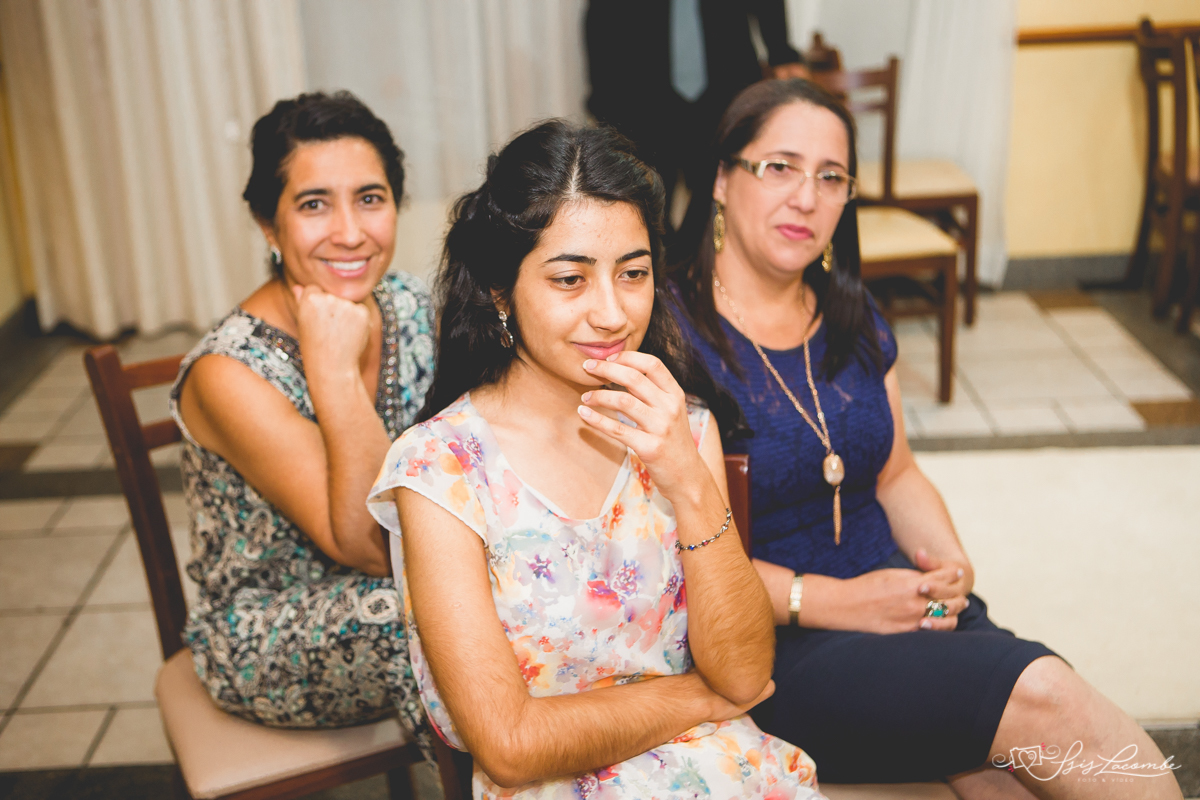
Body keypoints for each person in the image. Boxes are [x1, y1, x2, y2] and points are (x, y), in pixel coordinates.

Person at [669, 79, 1184, 799]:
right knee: (1048, 696)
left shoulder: (852, 315)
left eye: (831, 177)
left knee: (1016, 777)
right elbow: (675, 551)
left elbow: (896, 475)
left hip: (897, 594)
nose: (806, 197)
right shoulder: (670, 336)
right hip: (777, 644)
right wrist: (839, 602)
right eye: (779, 167)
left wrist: (950, 563)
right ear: (724, 180)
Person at [366, 120, 822, 799]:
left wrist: (690, 482)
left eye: (633, 273)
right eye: (570, 279)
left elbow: (747, 670)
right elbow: (511, 746)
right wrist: (698, 698)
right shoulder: (441, 469)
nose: (611, 313)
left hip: (725, 772)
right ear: (499, 290)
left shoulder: (679, 427)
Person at [169, 91, 433, 746]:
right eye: (314, 204)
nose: (350, 232)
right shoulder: (228, 372)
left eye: (370, 198)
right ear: (268, 224)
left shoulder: (409, 302)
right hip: (269, 630)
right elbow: (369, 548)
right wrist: (334, 372)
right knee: (436, 613)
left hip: (415, 567)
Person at [585, 0, 806, 248]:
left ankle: (702, 263)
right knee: (644, 211)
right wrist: (602, 95)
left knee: (725, 206)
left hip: (727, 86)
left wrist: (780, 51)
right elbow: (601, 16)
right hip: (641, 91)